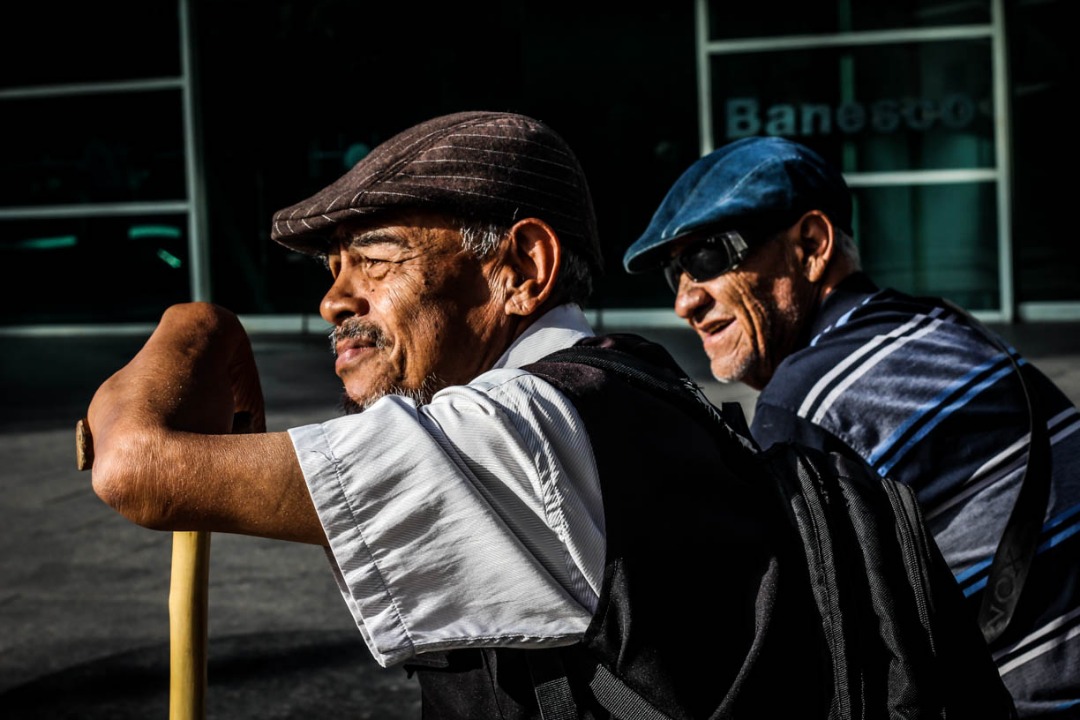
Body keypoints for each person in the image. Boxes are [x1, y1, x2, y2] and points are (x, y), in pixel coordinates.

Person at [83, 110, 833, 718]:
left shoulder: (524, 426)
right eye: (332, 269)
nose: (334, 299)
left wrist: (198, 326)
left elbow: (136, 467)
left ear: (521, 270)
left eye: (374, 260)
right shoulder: (624, 382)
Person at [622, 135, 1080, 719]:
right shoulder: (947, 325)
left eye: (707, 257)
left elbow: (806, 649)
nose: (685, 300)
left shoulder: (808, 403)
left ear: (811, 245)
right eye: (673, 272)